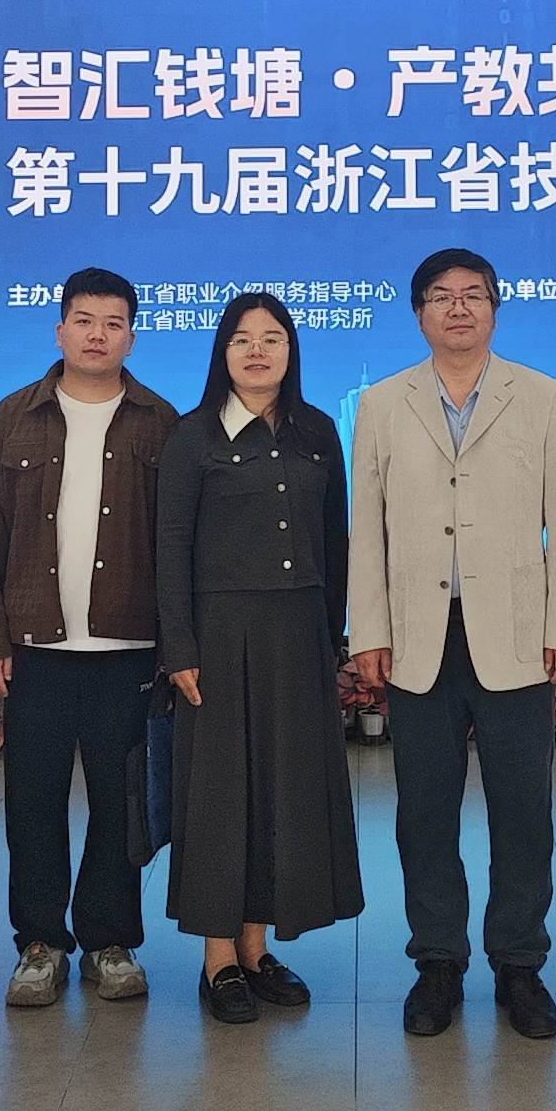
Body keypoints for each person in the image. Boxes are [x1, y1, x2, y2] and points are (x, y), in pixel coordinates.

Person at [348, 248, 556, 1040]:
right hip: (418, 636)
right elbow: (367, 529)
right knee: (425, 813)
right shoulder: (383, 403)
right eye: (441, 297)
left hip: (516, 635)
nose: (458, 308)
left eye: (473, 295)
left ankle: (519, 963)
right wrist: (369, 630)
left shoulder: (545, 397)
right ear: (419, 312)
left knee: (524, 810)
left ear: (495, 308)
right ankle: (438, 962)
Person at [0, 266, 181, 1009]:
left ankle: (110, 940)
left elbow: (177, 547)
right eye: (84, 320)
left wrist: (175, 647)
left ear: (132, 337)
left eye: (114, 323)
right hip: (35, 651)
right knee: (33, 802)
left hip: (129, 650)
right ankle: (40, 943)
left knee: (123, 806)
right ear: (59, 330)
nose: (97, 335)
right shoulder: (11, 418)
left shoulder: (161, 422)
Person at [155, 293, 366, 1023]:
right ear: (222, 352)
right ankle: (218, 960)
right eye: (242, 339)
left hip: (298, 634)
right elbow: (169, 548)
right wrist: (179, 646)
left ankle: (256, 947)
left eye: (272, 338)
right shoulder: (192, 437)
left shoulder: (316, 430)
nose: (257, 351)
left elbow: (335, 542)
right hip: (218, 636)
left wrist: (331, 636)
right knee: (220, 795)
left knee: (281, 791)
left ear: (290, 352)